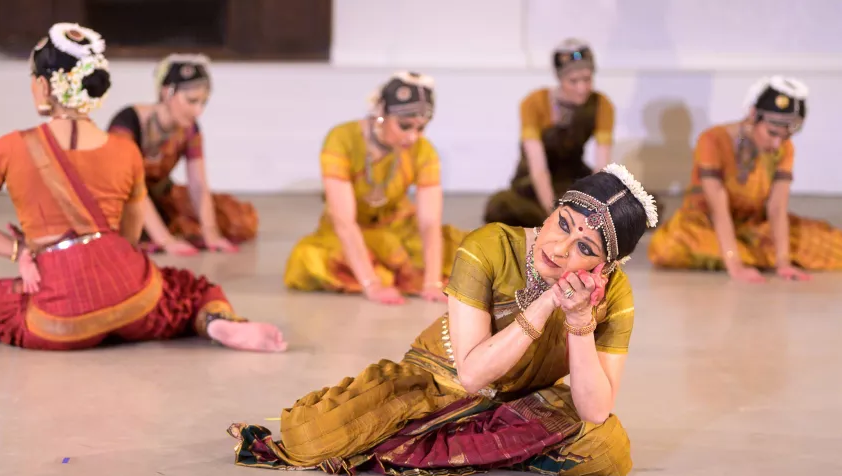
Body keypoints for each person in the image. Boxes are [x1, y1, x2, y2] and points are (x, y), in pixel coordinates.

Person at [228, 164, 659, 476]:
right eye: (562, 224)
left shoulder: (613, 296)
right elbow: (471, 375)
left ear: (605, 265)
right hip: (437, 383)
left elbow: (597, 408)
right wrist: (547, 305)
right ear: (552, 211)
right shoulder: (489, 246)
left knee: (608, 450)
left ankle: (455, 443)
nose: (562, 248)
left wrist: (581, 318)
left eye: (585, 247)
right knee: (311, 434)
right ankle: (488, 447)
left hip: (522, 400)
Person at [0, 23, 286, 352]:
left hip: (58, 321)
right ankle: (213, 324)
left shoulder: (10, 147)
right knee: (191, 290)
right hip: (132, 298)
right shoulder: (125, 150)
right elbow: (129, 238)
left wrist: (20, 250)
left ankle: (92, 324)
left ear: (45, 87)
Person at [283, 72, 466, 305]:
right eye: (404, 126)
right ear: (381, 113)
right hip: (349, 234)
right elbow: (344, 222)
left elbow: (429, 222)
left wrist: (432, 283)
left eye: (421, 128)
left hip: (398, 230)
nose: (413, 137)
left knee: (465, 251)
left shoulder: (424, 150)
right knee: (308, 259)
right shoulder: (342, 139)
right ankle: (377, 274)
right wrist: (372, 284)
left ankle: (400, 274)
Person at [648, 76, 842, 281]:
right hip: (706, 225)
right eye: (772, 133)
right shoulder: (713, 140)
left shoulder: (784, 149)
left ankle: (759, 255)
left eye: (785, 137)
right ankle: (746, 254)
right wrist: (735, 264)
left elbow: (777, 209)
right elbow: (718, 210)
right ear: (752, 115)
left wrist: (783, 261)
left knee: (832, 244)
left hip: (755, 228)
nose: (777, 144)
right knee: (668, 246)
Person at [108, 53, 258, 255]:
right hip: (124, 199)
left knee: (236, 220)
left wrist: (210, 233)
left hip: (159, 196)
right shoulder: (126, 124)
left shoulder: (189, 129)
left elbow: (198, 184)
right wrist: (165, 240)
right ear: (167, 92)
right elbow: (131, 188)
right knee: (118, 231)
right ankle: (153, 233)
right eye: (191, 101)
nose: (198, 111)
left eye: (203, 103)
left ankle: (160, 228)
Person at [483, 39, 616, 228]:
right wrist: (553, 214)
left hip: (572, 177)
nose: (582, 88)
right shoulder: (534, 103)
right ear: (560, 79)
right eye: (573, 81)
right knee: (501, 207)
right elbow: (538, 168)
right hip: (532, 184)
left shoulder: (601, 104)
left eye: (587, 79)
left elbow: (602, 167)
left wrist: (593, 206)